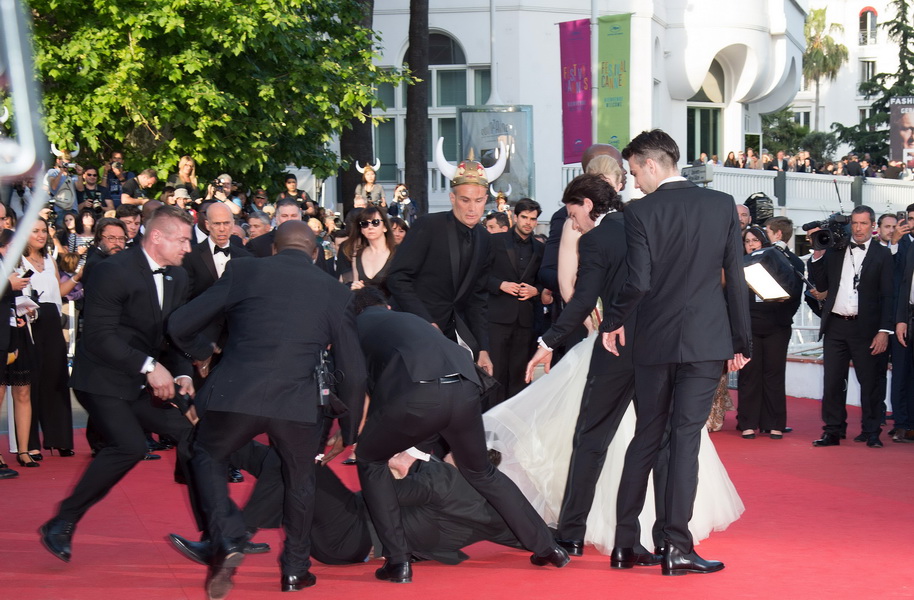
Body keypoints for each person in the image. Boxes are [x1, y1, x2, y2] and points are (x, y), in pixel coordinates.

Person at [167, 221, 367, 598]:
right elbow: (354, 372)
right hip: (299, 402)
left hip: (236, 394)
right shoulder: (333, 291)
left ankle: (227, 537)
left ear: (273, 249)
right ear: (314, 255)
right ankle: (295, 571)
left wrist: (204, 352)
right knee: (300, 480)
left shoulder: (244, 270)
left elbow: (179, 323)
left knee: (207, 453)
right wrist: (349, 427)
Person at [601, 129, 751, 576]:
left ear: (651, 164)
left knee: (646, 436)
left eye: (633, 172)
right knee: (684, 439)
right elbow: (735, 276)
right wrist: (740, 342)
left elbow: (638, 283)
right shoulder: (721, 204)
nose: (632, 181)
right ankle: (676, 548)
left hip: (654, 341)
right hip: (705, 341)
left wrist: (613, 321)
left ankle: (625, 545)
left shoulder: (640, 212)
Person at [353, 287, 569, 585]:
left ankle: (398, 560)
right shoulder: (409, 320)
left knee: (368, 458)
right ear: (386, 307)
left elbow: (359, 383)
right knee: (482, 472)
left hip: (420, 392)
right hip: (466, 387)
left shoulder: (356, 327)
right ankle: (548, 547)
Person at [39, 206, 199, 563]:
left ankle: (215, 532)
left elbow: (173, 335)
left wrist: (183, 372)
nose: (188, 248)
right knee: (128, 445)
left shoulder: (179, 276)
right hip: (101, 378)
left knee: (193, 434)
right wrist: (149, 366)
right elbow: (98, 336)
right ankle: (62, 522)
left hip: (141, 379)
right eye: (183, 240)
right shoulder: (113, 271)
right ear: (157, 237)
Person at [518, 173, 643, 559]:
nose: (573, 222)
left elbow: (582, 298)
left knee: (590, 440)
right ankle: (631, 541)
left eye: (573, 212)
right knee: (654, 442)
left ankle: (572, 532)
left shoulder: (596, 239)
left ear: (588, 203)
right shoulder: (644, 224)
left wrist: (547, 342)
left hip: (615, 347)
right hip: (660, 348)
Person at [386, 139, 508, 374]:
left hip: (455, 335)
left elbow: (478, 298)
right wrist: (424, 320)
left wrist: (483, 348)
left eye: (479, 200)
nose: (472, 208)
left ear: (486, 200)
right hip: (413, 331)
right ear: (452, 199)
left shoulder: (484, 238)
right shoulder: (427, 226)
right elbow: (398, 278)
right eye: (465, 200)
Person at [808, 205, 893, 448]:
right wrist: (817, 253)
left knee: (871, 382)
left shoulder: (883, 255)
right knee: (833, 381)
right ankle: (833, 430)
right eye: (855, 223)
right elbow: (821, 283)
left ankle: (872, 431)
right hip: (836, 325)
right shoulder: (835, 251)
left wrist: (884, 331)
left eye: (863, 223)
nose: (858, 228)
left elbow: (889, 296)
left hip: (867, 328)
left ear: (873, 226)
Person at [737, 221, 803, 439]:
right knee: (749, 375)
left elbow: (794, 296)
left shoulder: (783, 262)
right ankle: (747, 423)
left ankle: (774, 423)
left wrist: (783, 317)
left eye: (755, 240)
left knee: (774, 375)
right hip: (749, 327)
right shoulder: (737, 266)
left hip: (777, 326)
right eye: (747, 241)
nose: (751, 245)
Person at [19, 219, 75, 459]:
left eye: (44, 231)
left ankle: (59, 438)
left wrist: (77, 276)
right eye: (35, 231)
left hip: (52, 320)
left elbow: (58, 294)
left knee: (56, 379)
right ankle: (30, 443)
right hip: (28, 323)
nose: (41, 235)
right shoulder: (14, 262)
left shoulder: (50, 259)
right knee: (31, 383)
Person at [486, 197, 544, 407]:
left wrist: (535, 290)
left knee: (520, 374)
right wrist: (500, 284)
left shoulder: (539, 249)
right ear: (514, 216)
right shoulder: (494, 241)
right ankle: (490, 421)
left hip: (525, 320)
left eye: (533, 219)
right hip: (497, 318)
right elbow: (478, 276)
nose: (528, 222)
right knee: (495, 373)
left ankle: (514, 422)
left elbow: (543, 282)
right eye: (524, 217)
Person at [0, 229, 35, 473]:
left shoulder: (19, 265)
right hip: (0, 337)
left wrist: (28, 310)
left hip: (17, 333)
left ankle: (24, 450)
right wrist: (8, 285)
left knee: (23, 391)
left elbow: (25, 298)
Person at [337, 206, 396, 292]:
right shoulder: (357, 255)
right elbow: (355, 283)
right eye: (364, 224)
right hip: (366, 304)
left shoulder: (397, 253)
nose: (370, 227)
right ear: (361, 230)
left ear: (385, 227)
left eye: (375, 222)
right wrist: (356, 288)